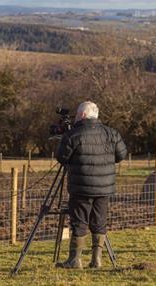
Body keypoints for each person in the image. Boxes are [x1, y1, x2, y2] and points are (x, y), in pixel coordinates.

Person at [56, 101, 127, 269]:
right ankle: (96, 260)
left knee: (79, 222)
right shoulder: (112, 133)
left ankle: (75, 260)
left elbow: (61, 158)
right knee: (99, 221)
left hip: (81, 187)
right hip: (104, 188)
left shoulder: (73, 135)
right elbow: (121, 155)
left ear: (82, 115)